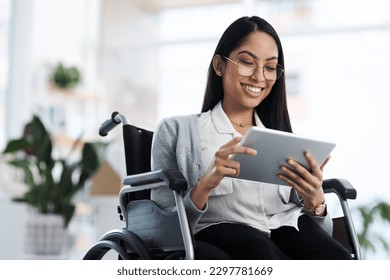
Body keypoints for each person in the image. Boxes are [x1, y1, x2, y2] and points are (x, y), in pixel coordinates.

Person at [150, 16, 352, 260]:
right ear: (219, 65)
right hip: (220, 233)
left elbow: (323, 233)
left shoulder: (286, 142)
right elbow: (160, 230)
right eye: (247, 62)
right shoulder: (177, 130)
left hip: (286, 228)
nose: (259, 77)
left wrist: (315, 202)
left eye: (269, 67)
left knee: (339, 258)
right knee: (260, 249)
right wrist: (205, 184)